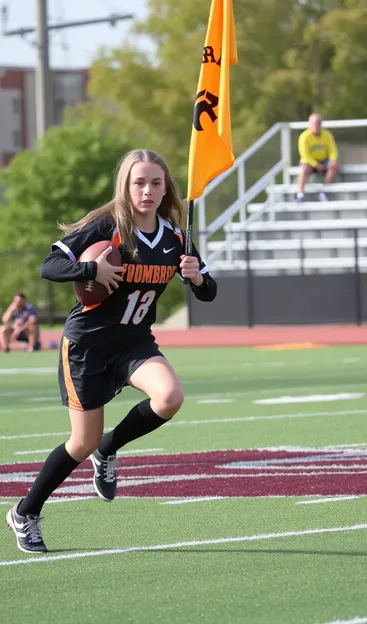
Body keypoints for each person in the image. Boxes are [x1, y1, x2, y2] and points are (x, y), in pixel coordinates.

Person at [6, 149, 217, 554]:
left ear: (166, 187)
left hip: (135, 341)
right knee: (79, 443)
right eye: (139, 182)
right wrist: (91, 270)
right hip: (88, 345)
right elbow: (49, 266)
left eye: (156, 183)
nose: (148, 190)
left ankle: (110, 447)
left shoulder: (175, 237)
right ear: (125, 186)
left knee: (170, 397)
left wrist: (197, 279)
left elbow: (208, 292)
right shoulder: (107, 227)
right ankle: (25, 512)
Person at [295, 113, 339, 202]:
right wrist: (315, 164)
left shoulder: (327, 135)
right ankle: (300, 194)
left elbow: (333, 150)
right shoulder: (304, 137)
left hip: (324, 160)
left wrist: (333, 159)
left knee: (334, 165)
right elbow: (304, 155)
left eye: (318, 123)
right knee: (304, 169)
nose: (316, 125)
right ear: (310, 124)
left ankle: (324, 191)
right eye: (314, 123)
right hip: (310, 162)